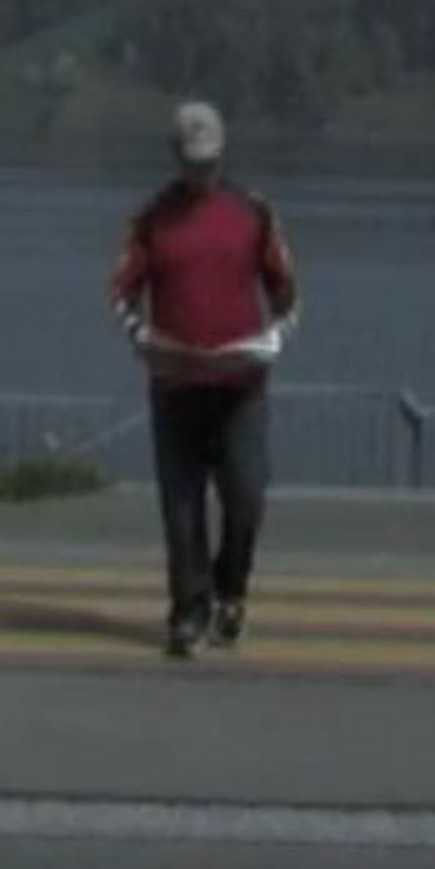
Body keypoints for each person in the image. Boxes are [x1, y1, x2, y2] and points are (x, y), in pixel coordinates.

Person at [107, 99, 301, 658]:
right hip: (175, 385)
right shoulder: (151, 219)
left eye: (209, 161)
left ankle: (230, 591)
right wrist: (140, 335)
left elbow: (286, 291)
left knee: (247, 494)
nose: (202, 171)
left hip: (241, 385)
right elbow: (120, 291)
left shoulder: (253, 213)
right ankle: (188, 610)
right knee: (181, 505)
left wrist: (276, 336)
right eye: (193, 162)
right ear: (176, 157)